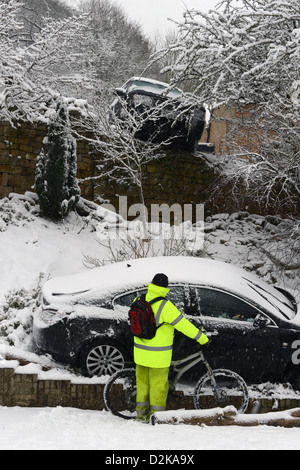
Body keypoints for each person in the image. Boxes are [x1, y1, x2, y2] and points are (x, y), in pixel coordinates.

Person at [134, 272, 209, 423]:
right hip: (158, 357)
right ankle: (157, 417)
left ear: (152, 283)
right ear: (166, 287)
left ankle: (141, 415)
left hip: (140, 353)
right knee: (158, 388)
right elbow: (184, 325)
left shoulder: (139, 299)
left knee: (142, 385)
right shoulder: (165, 306)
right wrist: (202, 338)